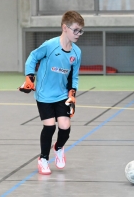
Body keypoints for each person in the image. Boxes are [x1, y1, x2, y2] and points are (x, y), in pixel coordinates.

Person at [19, 11, 85, 175]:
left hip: (62, 95)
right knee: (49, 126)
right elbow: (33, 57)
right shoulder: (50, 45)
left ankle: (59, 147)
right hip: (44, 94)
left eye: (80, 31)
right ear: (65, 28)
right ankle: (43, 159)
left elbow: (73, 76)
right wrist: (30, 77)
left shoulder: (77, 53)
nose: (78, 34)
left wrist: (72, 94)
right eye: (75, 30)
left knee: (65, 127)